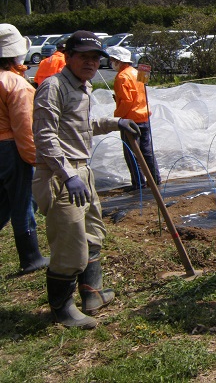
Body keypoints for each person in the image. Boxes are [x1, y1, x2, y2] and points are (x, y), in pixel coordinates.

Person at [32, 31, 141, 329]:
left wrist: (114, 122)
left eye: (95, 58)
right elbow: (44, 137)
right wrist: (67, 175)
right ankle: (62, 309)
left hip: (83, 172)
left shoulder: (83, 86)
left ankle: (92, 293)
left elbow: (82, 124)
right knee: (70, 245)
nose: (91, 63)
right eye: (84, 57)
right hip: (60, 175)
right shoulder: (52, 87)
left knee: (93, 234)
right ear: (68, 57)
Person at [0, 24, 49, 276]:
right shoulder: (15, 84)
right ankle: (31, 257)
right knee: (22, 202)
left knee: (2, 203)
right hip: (10, 149)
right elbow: (24, 127)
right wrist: (34, 159)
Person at [107, 46, 161, 191]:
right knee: (147, 151)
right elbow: (141, 94)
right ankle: (155, 179)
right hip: (144, 116)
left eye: (112, 60)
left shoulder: (122, 77)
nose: (111, 63)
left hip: (130, 119)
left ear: (118, 61)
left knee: (132, 154)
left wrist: (118, 115)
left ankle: (139, 184)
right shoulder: (137, 72)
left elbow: (127, 101)